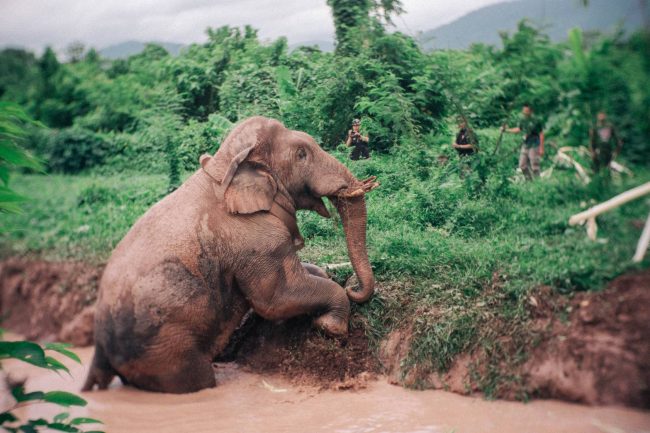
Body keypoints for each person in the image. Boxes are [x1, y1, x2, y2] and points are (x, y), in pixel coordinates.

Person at [503, 104, 544, 180]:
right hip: (526, 144)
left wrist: (541, 148)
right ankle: (529, 180)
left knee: (534, 165)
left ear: (531, 111)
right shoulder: (523, 120)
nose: (524, 112)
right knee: (522, 165)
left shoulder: (536, 120)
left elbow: (541, 134)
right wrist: (506, 130)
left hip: (534, 144)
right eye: (523, 111)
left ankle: (538, 182)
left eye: (526, 111)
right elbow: (519, 129)